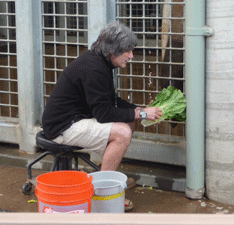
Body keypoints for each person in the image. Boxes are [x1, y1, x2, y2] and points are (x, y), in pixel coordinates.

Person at [41, 20, 163, 211]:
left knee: (130, 121)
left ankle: (105, 175)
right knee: (123, 132)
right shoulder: (94, 68)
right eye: (127, 51)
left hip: (75, 119)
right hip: (62, 127)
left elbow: (111, 102)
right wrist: (143, 113)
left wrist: (139, 111)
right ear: (113, 51)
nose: (131, 56)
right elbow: (104, 113)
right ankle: (103, 193)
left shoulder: (100, 63)